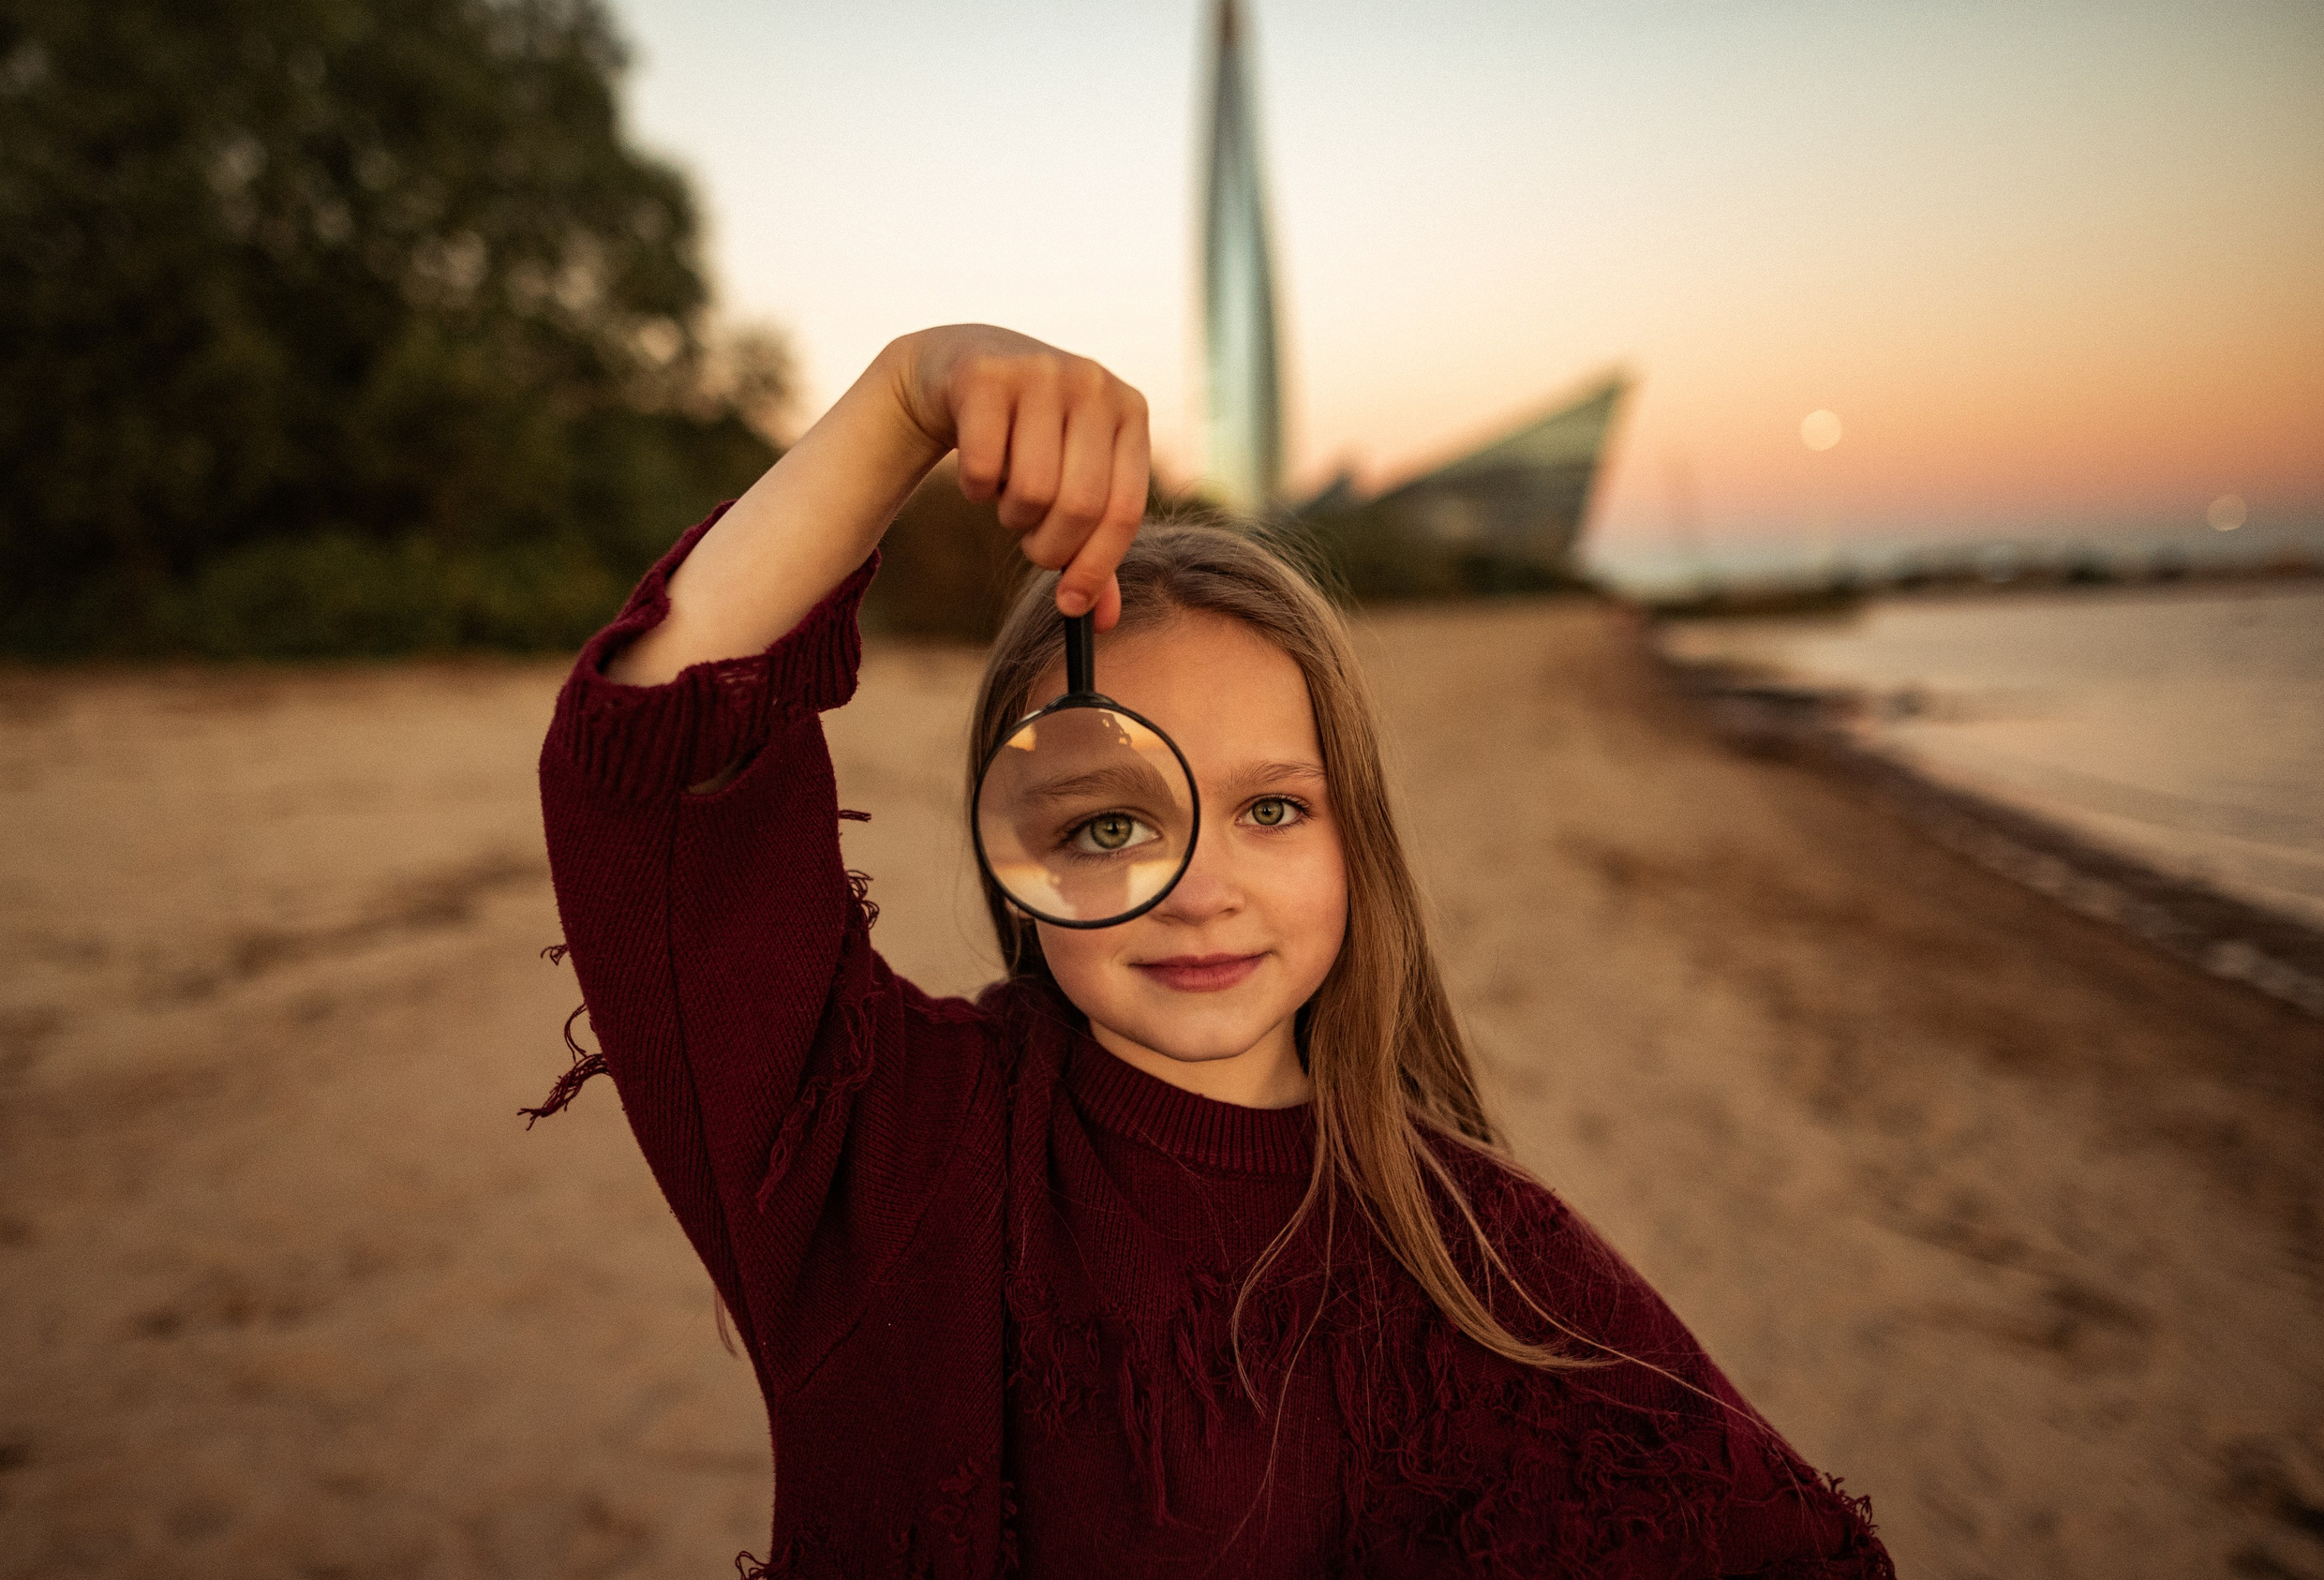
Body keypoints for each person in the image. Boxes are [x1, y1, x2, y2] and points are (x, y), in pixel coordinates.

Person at [529, 323, 1895, 1578]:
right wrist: (905, 398)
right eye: (1113, 818)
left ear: (1357, 842)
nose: (1201, 890)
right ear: (1021, 853)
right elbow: (649, 772)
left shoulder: (1493, 1258)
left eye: (1272, 808)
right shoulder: (888, 1144)